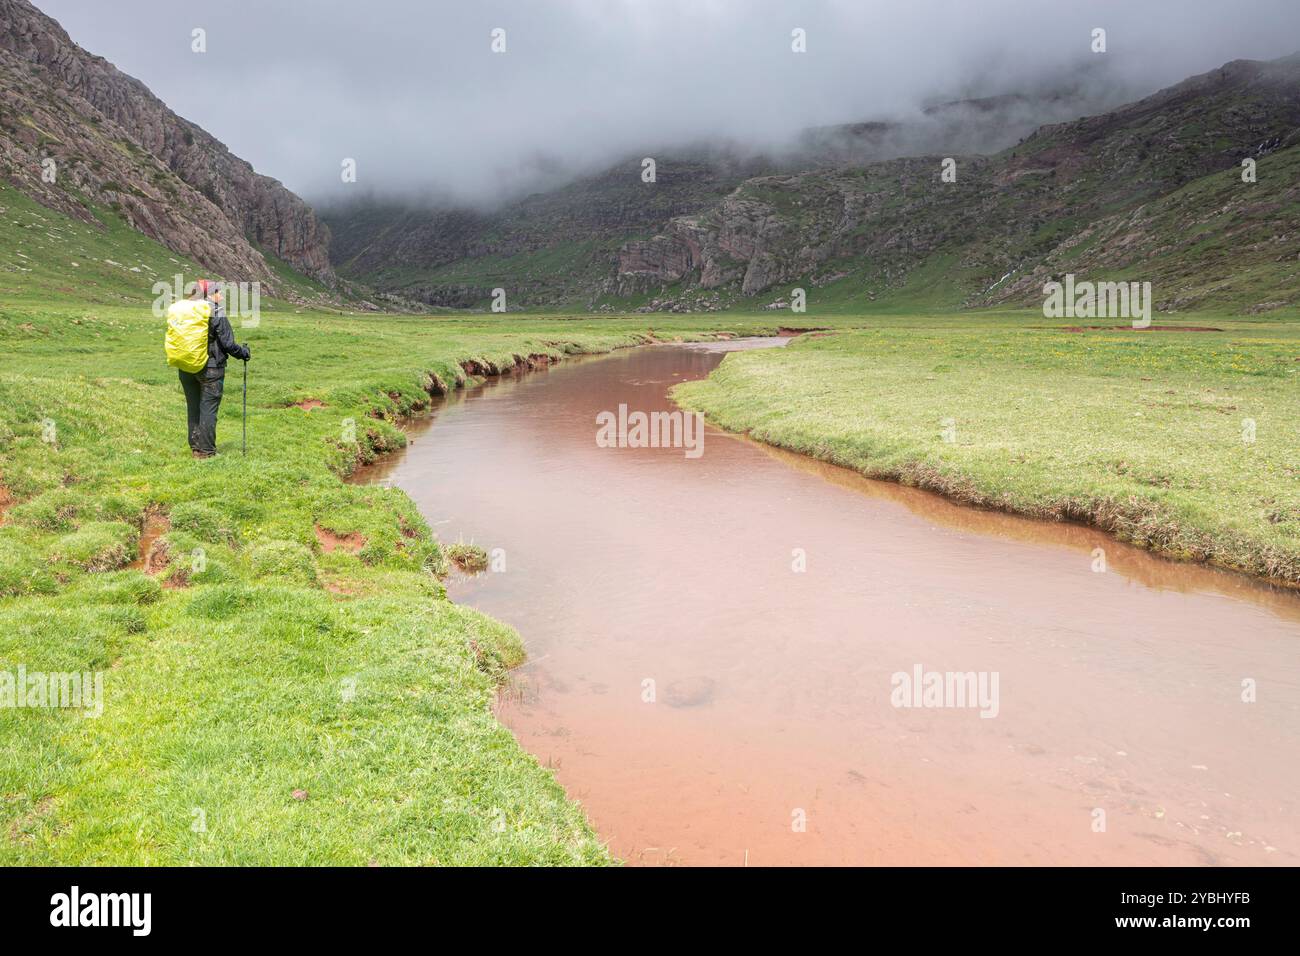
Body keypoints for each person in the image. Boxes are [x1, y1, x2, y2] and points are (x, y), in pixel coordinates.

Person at [176, 279, 249, 458]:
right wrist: (244, 352)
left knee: (193, 408)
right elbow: (228, 344)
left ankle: (196, 449)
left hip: (186, 366)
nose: (221, 296)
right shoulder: (215, 310)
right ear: (209, 294)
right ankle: (207, 452)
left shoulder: (184, 310)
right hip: (210, 369)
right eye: (219, 292)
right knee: (208, 408)